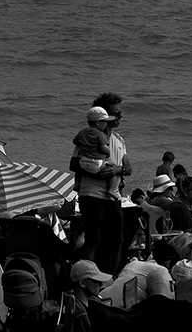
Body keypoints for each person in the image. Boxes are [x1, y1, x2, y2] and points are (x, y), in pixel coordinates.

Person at [73, 96, 131, 273]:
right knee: (93, 239)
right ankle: (86, 277)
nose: (120, 116)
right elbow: (74, 164)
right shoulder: (88, 137)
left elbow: (127, 168)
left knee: (116, 240)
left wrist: (116, 170)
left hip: (112, 197)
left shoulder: (118, 139)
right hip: (91, 195)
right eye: (117, 113)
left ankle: (108, 278)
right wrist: (98, 171)